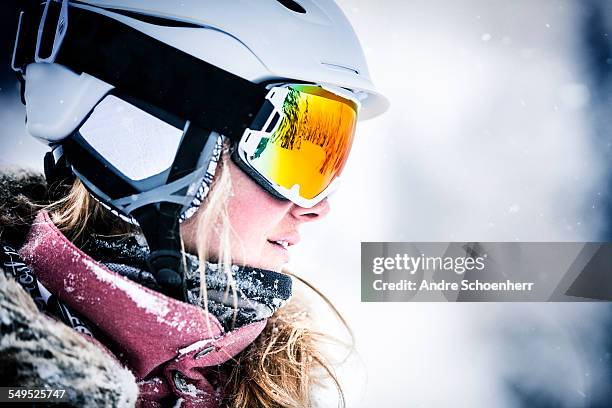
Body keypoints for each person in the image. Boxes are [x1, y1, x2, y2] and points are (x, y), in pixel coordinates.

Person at [0, 0, 387, 406]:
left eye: (324, 159)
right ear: (149, 141)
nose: (316, 208)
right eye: (289, 152)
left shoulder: (285, 389)